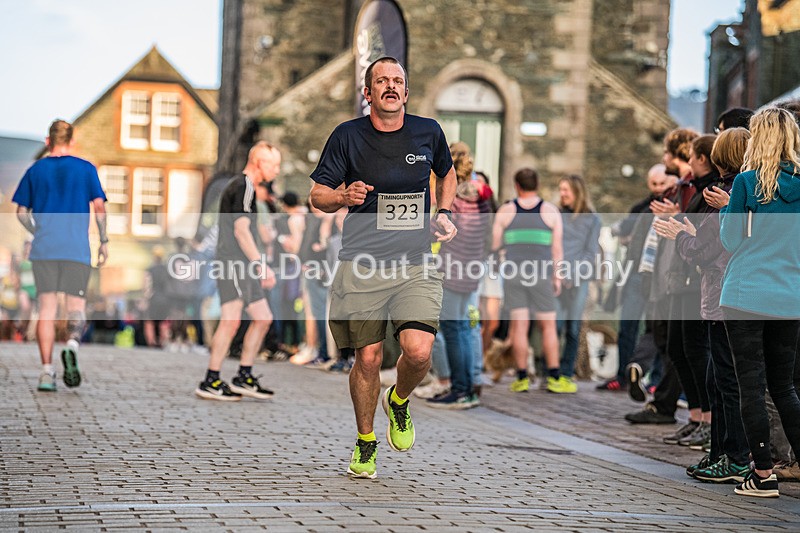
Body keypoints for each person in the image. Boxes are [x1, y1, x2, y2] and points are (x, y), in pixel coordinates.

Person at [309, 56, 457, 479]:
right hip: (363, 262)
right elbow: (317, 196)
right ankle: (366, 441)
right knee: (368, 359)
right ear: (368, 93)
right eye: (381, 82)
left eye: (398, 81)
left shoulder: (428, 132)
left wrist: (443, 211)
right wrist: (343, 197)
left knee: (419, 350)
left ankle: (399, 400)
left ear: (406, 92)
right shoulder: (347, 136)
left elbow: (447, 174)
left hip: (415, 261)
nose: (390, 87)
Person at [655, 127, 752, 483]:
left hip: (723, 295)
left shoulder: (727, 193)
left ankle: (733, 457)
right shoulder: (736, 192)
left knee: (725, 379)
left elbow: (706, 249)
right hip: (726, 292)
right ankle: (722, 454)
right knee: (720, 378)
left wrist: (680, 234)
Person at [717, 107, 800, 498]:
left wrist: (725, 213)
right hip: (790, 295)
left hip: (746, 292)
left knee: (750, 385)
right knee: (784, 387)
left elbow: (731, 240)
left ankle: (762, 474)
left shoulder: (747, 183)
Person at [12, 119, 109, 391]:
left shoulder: (36, 169)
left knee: (46, 310)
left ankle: (46, 372)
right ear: (72, 141)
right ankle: (72, 345)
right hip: (77, 249)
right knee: (76, 306)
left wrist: (37, 228)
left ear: (47, 141)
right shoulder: (86, 168)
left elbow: (21, 212)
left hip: (45, 248)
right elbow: (99, 209)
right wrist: (103, 241)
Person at [194, 141, 278, 401]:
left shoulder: (246, 188)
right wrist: (260, 265)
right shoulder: (243, 186)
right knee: (231, 320)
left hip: (239, 264)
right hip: (235, 264)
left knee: (263, 318)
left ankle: (243, 375)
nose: (276, 170)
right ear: (258, 163)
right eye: (273, 164)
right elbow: (241, 231)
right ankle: (211, 379)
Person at [492, 168, 565, 394]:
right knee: (548, 326)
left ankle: (522, 377)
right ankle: (553, 377)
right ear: (537, 185)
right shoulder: (550, 211)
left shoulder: (506, 211)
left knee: (520, 327)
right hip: (541, 273)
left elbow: (495, 245)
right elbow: (557, 250)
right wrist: (558, 277)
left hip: (514, 273)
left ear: (517, 186)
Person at [555, 175, 600, 390]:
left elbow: (590, 253)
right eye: (561, 189)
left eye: (566, 190)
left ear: (577, 192)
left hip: (579, 280)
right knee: (553, 327)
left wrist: (572, 275)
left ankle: (566, 373)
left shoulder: (592, 219)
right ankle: (551, 372)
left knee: (573, 329)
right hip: (555, 277)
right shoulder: (554, 214)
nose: (562, 193)